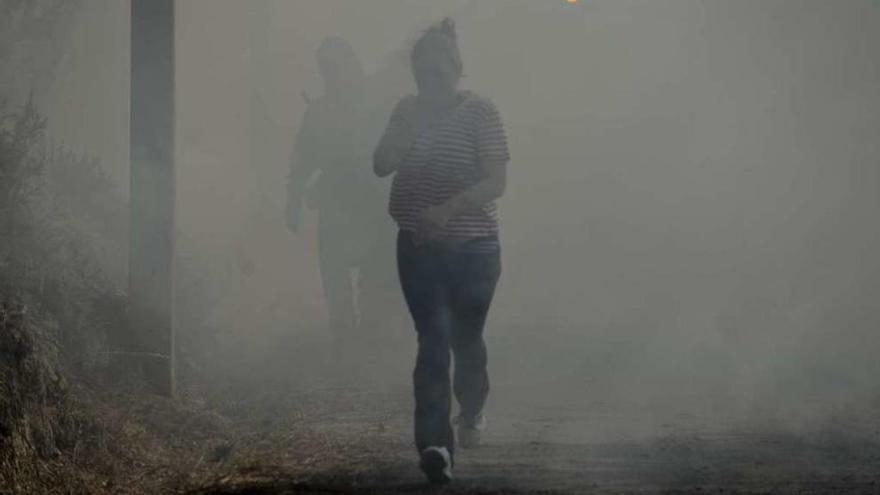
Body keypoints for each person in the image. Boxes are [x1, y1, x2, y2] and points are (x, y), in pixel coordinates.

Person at [372, 18, 510, 484]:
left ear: (456, 68)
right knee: (432, 339)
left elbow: (496, 181)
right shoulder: (405, 111)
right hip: (419, 247)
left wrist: (449, 209)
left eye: (438, 69)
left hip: (474, 248)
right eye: (421, 70)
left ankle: (471, 407)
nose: (429, 77)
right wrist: (405, 133)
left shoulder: (480, 113)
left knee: (465, 340)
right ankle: (435, 446)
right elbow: (380, 164)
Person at [286, 37, 399, 349]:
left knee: (375, 276)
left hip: (375, 205)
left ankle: (372, 339)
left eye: (337, 67)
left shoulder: (377, 105)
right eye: (327, 69)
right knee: (335, 277)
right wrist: (292, 200)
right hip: (336, 207)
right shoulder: (319, 112)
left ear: (353, 66)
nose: (333, 75)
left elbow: (398, 150)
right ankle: (346, 342)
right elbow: (302, 159)